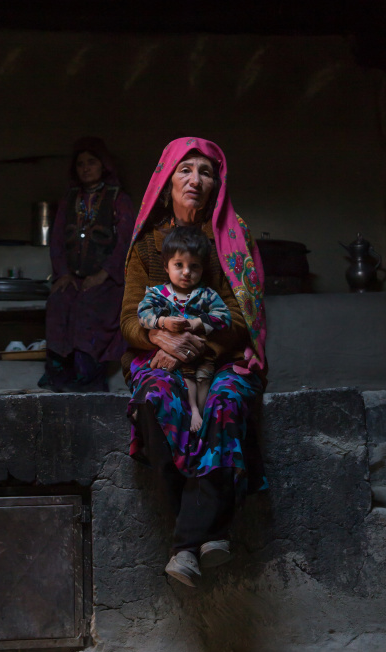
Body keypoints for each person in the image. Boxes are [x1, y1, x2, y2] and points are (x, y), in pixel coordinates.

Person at [121, 137, 267, 588]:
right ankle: (210, 535)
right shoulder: (148, 245)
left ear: (215, 185)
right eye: (185, 170)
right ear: (167, 183)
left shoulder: (231, 239)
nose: (195, 180)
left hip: (218, 358)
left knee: (225, 404)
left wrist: (195, 348)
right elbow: (128, 318)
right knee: (158, 400)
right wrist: (156, 337)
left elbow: (242, 318)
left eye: (206, 171)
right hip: (158, 358)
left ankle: (186, 545)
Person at [39, 137, 135, 392]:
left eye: (91, 162)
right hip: (74, 276)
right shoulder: (69, 199)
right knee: (59, 301)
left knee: (88, 307)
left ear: (103, 165)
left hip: (108, 279)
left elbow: (126, 241)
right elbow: (57, 240)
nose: (85, 168)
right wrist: (62, 274)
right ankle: (58, 378)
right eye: (80, 163)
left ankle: (88, 379)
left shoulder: (119, 199)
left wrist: (103, 274)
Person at [137, 225, 231, 432]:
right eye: (179, 265)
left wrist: (199, 323)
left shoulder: (206, 295)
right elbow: (142, 315)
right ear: (166, 266)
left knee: (205, 374)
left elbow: (224, 316)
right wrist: (163, 323)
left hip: (202, 352)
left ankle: (203, 412)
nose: (186, 272)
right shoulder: (157, 294)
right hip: (171, 354)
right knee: (181, 377)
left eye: (194, 266)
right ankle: (192, 411)